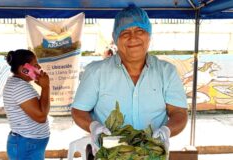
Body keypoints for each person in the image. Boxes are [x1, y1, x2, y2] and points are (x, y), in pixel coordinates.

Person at [71, 5, 188, 157]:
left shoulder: (167, 72)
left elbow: (179, 112)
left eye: (140, 31)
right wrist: (93, 126)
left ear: (149, 36)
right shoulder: (96, 72)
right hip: (108, 155)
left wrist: (167, 130)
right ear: (115, 39)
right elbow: (79, 110)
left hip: (151, 155)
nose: (133, 38)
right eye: (125, 32)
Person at [3, 49, 50, 160]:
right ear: (23, 69)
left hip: (29, 144)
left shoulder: (18, 84)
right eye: (35, 64)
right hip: (27, 145)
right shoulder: (19, 86)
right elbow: (41, 117)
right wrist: (46, 87)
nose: (38, 67)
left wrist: (45, 87)